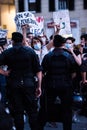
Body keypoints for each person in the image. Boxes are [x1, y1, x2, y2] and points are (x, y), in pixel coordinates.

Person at [0, 32, 42, 130]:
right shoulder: (30, 52)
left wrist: (4, 72)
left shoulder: (7, 52)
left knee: (18, 112)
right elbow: (38, 70)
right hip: (29, 84)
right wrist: (39, 86)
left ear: (13, 41)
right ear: (22, 40)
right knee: (32, 112)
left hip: (14, 84)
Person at [38, 35, 77, 130]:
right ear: (63, 44)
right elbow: (74, 73)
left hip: (50, 85)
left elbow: (42, 72)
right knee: (67, 110)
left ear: (54, 44)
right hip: (66, 85)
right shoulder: (69, 57)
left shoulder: (48, 56)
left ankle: (39, 127)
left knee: (45, 108)